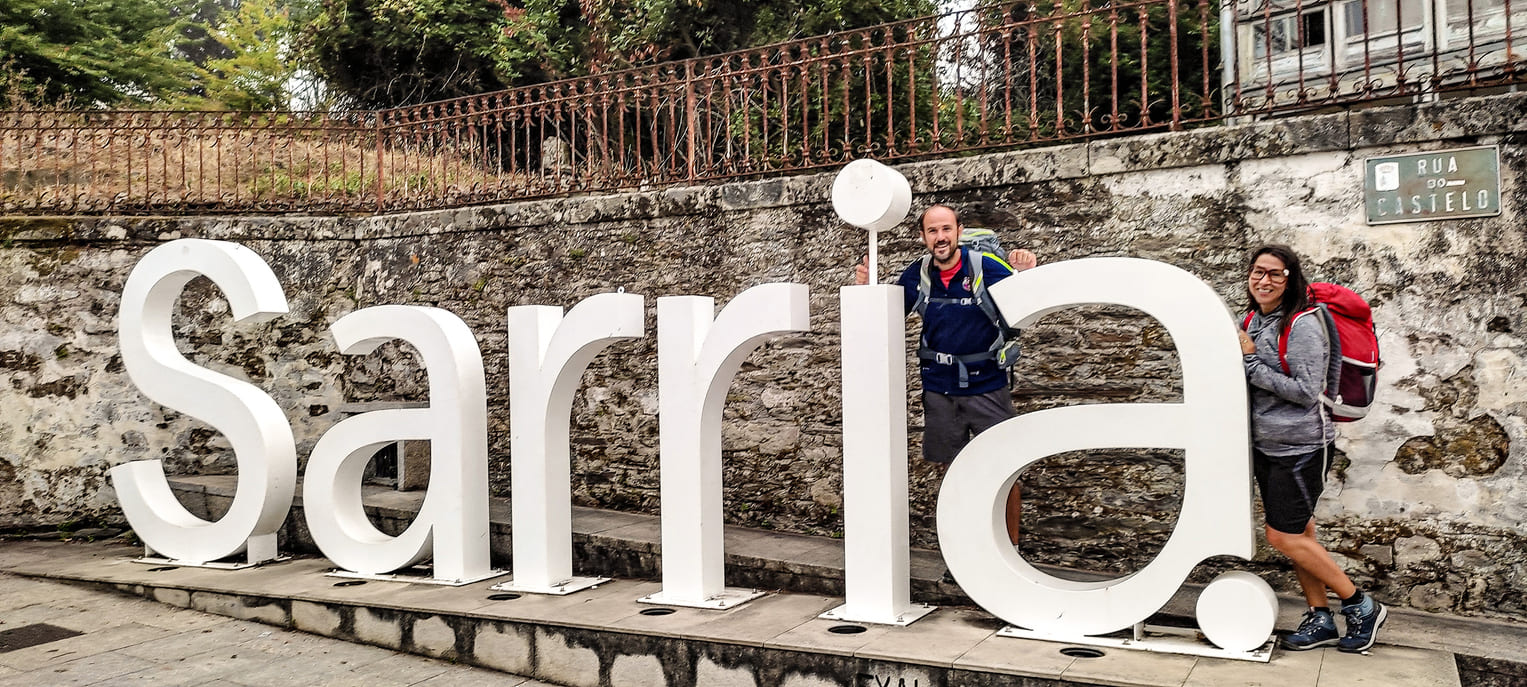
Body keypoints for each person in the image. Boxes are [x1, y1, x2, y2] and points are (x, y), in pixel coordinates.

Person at [854, 204, 1037, 546]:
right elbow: (882, 317)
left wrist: (1026, 276)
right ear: (923, 237)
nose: (941, 237)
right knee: (952, 474)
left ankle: (1010, 549)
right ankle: (963, 550)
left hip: (987, 386)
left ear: (959, 231)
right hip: (940, 389)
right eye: (933, 231)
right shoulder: (917, 275)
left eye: (946, 229)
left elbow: (1025, 310)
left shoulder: (987, 267)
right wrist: (865, 289)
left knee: (1005, 469)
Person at [1238, 244, 1386, 653]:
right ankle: (1320, 618)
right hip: (1266, 445)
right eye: (1258, 271)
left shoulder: (1302, 324)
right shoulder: (1251, 319)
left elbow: (1306, 392)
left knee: (1282, 536)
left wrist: (1250, 361)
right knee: (1301, 533)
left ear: (1291, 280)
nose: (1264, 280)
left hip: (1302, 447)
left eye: (1276, 273)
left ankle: (1361, 605)